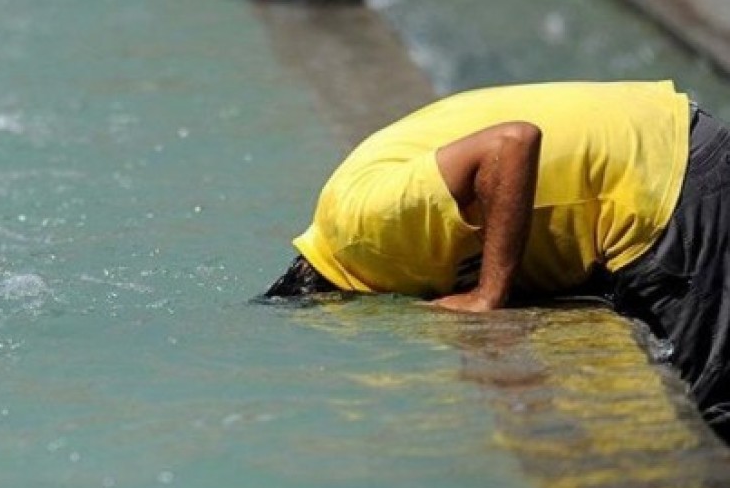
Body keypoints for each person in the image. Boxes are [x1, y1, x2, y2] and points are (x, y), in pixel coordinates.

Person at [266, 80, 730, 438]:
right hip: (653, 145)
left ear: (332, 302)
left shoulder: (361, 226)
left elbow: (512, 143)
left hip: (662, 177)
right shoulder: (356, 231)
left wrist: (488, 294)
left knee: (706, 412)